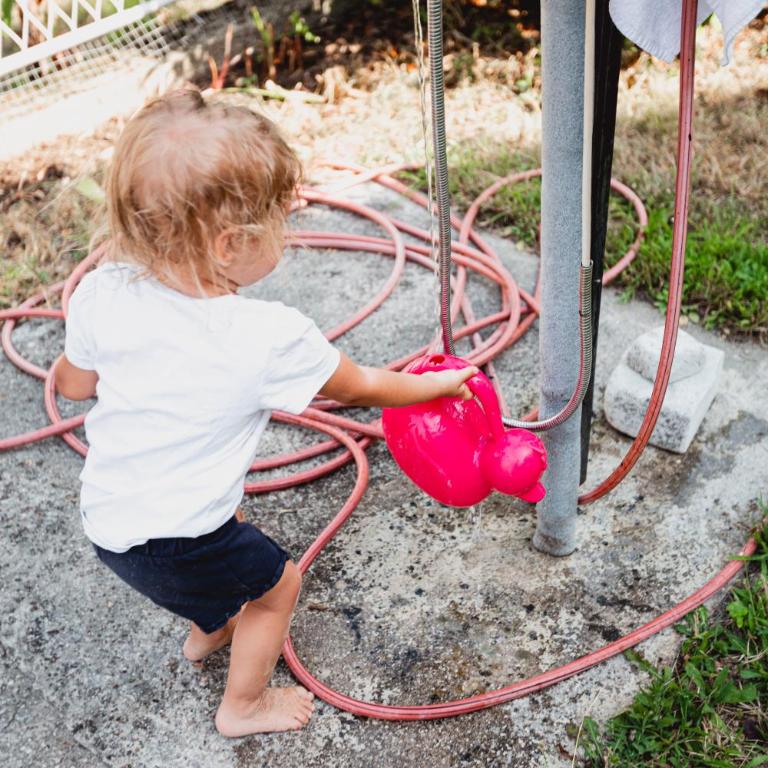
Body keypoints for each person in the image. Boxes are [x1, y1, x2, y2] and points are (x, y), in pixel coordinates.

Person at [54, 88, 477, 738]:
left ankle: (207, 629)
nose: (291, 223)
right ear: (228, 244)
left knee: (211, 553)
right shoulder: (266, 337)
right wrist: (439, 387)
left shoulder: (101, 289)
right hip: (178, 533)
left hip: (107, 523)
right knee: (276, 585)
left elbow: (75, 384)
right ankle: (242, 705)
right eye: (282, 215)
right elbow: (360, 387)